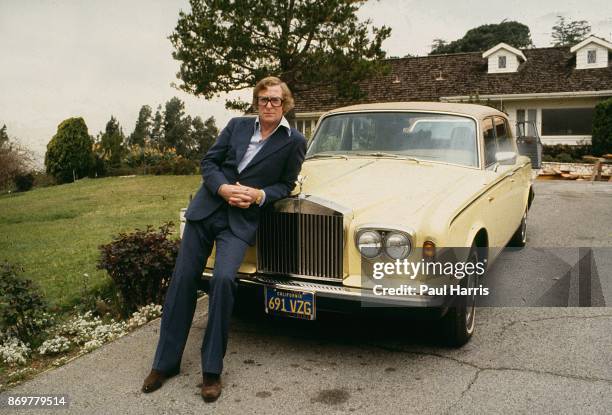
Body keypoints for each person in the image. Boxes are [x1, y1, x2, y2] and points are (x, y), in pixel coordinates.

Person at [141, 76, 307, 402]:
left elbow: (285, 185)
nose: (269, 105)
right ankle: (165, 363)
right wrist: (222, 187)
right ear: (256, 103)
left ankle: (211, 371)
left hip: (240, 221)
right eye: (263, 100)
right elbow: (209, 162)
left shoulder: (294, 141)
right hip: (206, 211)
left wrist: (259, 194)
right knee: (183, 280)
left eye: (275, 100)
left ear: (285, 104)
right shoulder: (236, 125)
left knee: (223, 281)